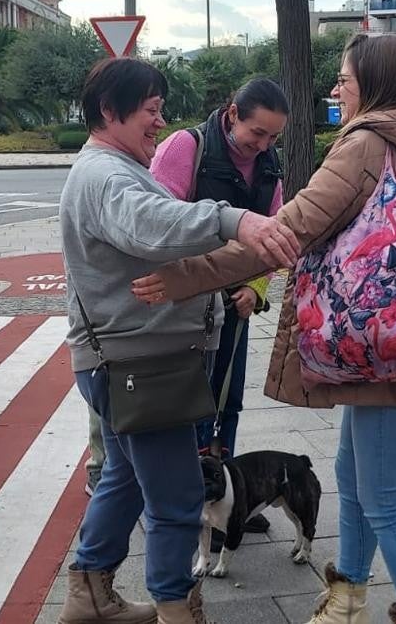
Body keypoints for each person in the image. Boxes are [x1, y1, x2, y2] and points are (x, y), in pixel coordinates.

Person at [131, 33, 396, 624]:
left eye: (344, 78)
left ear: (374, 84)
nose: (336, 88)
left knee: (386, 501)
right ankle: (348, 597)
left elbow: (285, 231)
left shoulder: (366, 145)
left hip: (389, 347)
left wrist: (186, 276)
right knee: (349, 475)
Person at [58, 57, 297, 624]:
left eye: (160, 111)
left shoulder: (112, 168)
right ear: (110, 112)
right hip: (140, 365)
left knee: (122, 478)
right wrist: (233, 219)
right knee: (177, 499)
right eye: (150, 111)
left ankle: (90, 595)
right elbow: (152, 224)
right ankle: (176, 608)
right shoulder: (105, 176)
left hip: (127, 362)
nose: (159, 124)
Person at [151, 77, 289, 534]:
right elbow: (157, 223)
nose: (263, 145)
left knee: (227, 402)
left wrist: (257, 289)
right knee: (187, 403)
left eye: (273, 137)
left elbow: (271, 236)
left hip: (234, 303)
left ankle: (224, 498)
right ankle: (182, 504)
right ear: (233, 115)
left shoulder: (268, 166)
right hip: (186, 305)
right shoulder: (184, 148)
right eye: (257, 134)